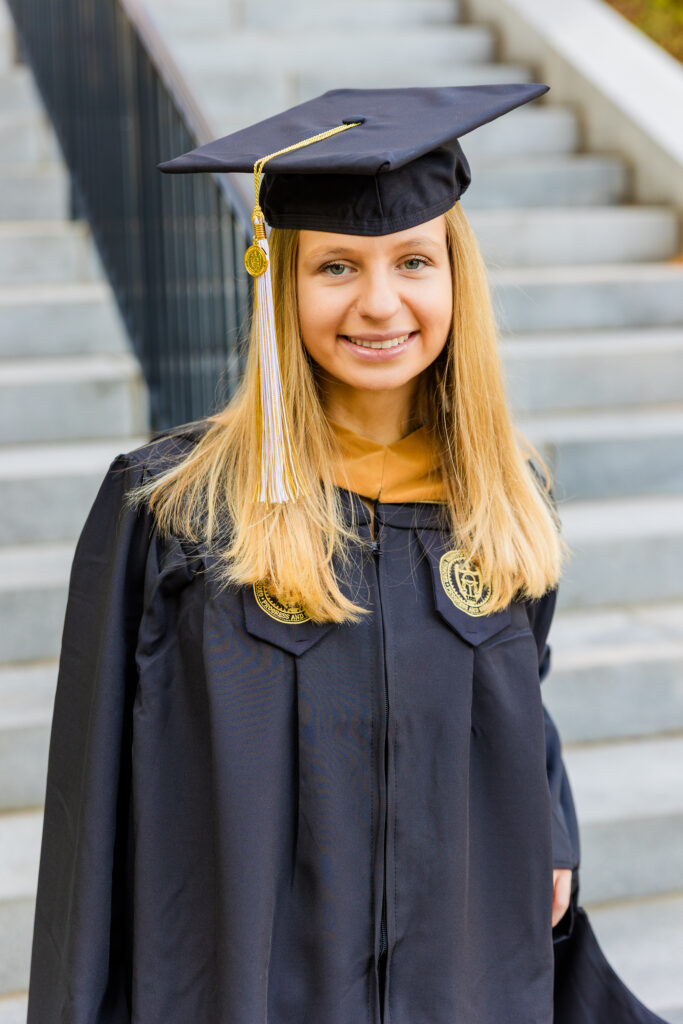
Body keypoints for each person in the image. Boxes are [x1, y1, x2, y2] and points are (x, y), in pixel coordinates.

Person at [26, 86, 669, 1023]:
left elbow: (520, 691)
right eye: (335, 266)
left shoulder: (502, 501)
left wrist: (553, 832)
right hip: (240, 982)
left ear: (457, 280)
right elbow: (88, 823)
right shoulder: (174, 512)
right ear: (281, 280)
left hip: (464, 969)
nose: (379, 303)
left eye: (414, 260)